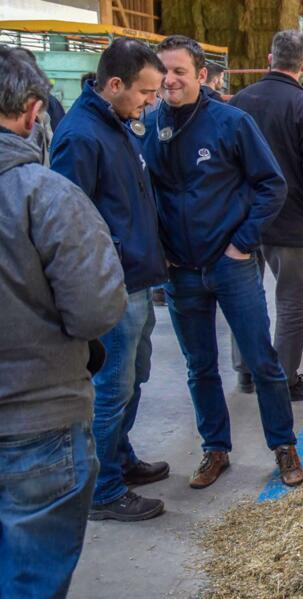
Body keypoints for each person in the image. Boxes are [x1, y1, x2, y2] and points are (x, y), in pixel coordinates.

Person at [142, 35, 303, 489]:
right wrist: (161, 254)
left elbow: (272, 184)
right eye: (164, 71)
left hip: (230, 265)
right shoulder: (150, 127)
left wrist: (243, 242)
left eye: (179, 71)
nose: (170, 79)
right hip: (181, 272)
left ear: (201, 76)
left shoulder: (231, 122)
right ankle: (215, 449)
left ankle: (284, 445)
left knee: (261, 359)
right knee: (200, 367)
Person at [0, 46, 127, 598]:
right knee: (30, 576)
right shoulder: (45, 194)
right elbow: (96, 308)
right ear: (33, 111)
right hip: (35, 417)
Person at [50, 38, 170, 522]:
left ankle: (119, 457)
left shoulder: (118, 124)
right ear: (115, 84)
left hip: (137, 278)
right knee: (112, 386)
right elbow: (68, 224)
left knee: (134, 377)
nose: (152, 102)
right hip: (112, 287)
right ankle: (102, 491)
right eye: (146, 92)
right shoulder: (81, 137)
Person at [228, 30, 303, 398]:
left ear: (269, 57)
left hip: (245, 221)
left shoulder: (240, 101)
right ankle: (284, 379)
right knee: (292, 302)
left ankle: (245, 372)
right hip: (292, 222)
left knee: (248, 297)